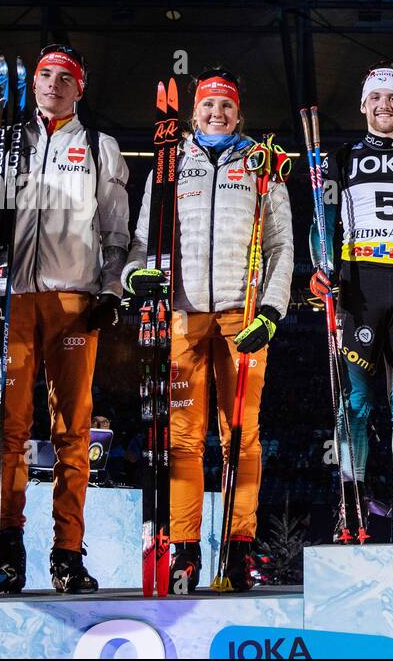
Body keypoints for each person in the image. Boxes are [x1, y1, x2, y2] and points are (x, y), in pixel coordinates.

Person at [0, 44, 131, 594]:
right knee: (8, 432)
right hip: (14, 298)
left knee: (72, 433)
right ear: (32, 83)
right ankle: (7, 549)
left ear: (80, 88)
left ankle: (66, 554)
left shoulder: (100, 148)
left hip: (73, 302)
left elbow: (116, 233)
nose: (54, 84)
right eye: (45, 76)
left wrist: (110, 288)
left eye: (66, 78)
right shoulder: (5, 142)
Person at [125, 68, 292, 592]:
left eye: (225, 106)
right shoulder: (169, 165)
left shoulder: (265, 164)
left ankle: (239, 548)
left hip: (242, 314)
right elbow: (141, 239)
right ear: (192, 113)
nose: (216, 113)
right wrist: (139, 276)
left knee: (241, 437)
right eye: (207, 106)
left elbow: (283, 244)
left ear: (239, 113)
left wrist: (271, 310)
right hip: (183, 312)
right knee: (183, 439)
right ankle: (186, 551)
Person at [308, 62, 393, 543]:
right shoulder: (340, 159)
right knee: (353, 404)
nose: (384, 105)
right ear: (363, 106)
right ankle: (351, 503)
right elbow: (323, 221)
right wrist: (320, 266)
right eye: (375, 97)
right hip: (358, 292)